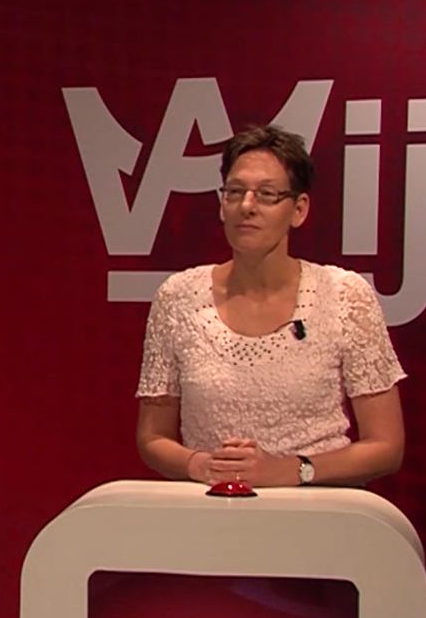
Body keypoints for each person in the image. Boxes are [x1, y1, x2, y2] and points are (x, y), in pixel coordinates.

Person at [135, 124, 406, 488]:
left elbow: (386, 446)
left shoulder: (345, 294)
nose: (247, 206)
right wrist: (200, 465)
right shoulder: (177, 297)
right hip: (213, 505)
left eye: (266, 194)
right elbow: (152, 437)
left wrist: (292, 470)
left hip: (316, 507)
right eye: (235, 192)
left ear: (299, 209)